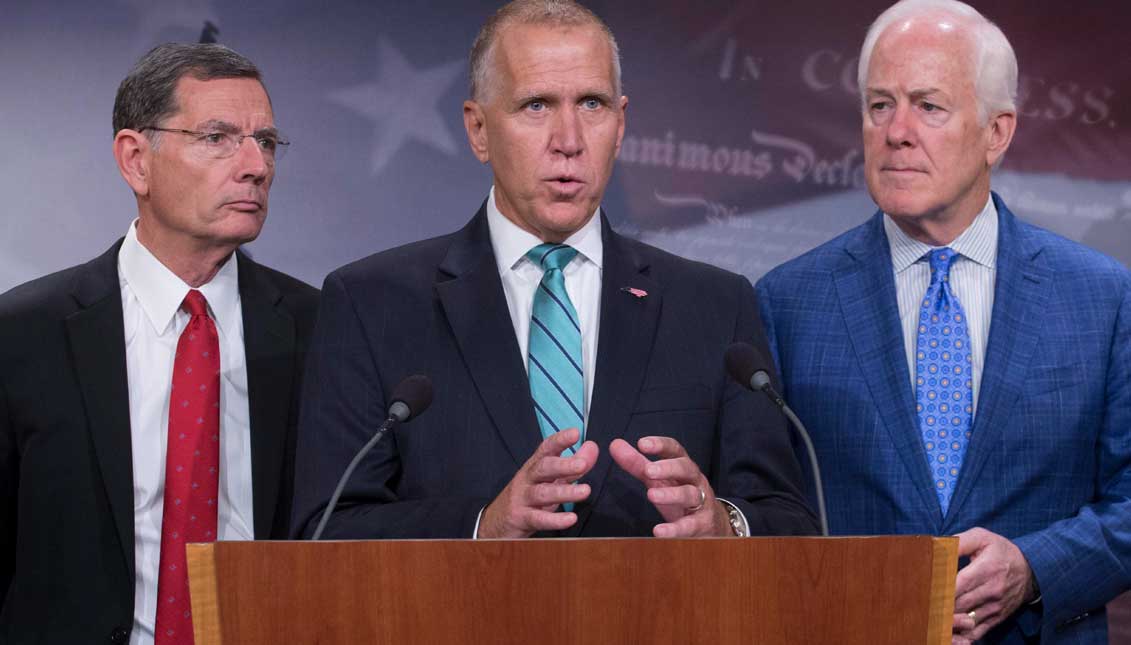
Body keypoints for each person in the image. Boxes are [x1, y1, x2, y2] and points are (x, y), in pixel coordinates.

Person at [291, 0, 817, 543]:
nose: (568, 140)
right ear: (478, 129)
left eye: (592, 103)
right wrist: (480, 527)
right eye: (536, 105)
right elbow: (327, 528)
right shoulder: (372, 303)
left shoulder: (713, 305)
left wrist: (724, 524)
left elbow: (788, 518)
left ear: (620, 124)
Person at [755, 1, 1131, 642]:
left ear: (997, 132)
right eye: (879, 105)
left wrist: (1033, 568)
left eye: (928, 106)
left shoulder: (1102, 297)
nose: (896, 131)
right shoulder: (788, 301)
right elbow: (765, 511)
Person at [0, 44, 318, 644]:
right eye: (218, 137)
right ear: (136, 160)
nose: (255, 165)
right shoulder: (22, 334)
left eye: (267, 142)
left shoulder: (320, 328)